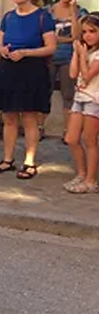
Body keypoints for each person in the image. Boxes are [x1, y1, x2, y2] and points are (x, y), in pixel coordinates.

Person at [0, 0, 57, 180]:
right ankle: (7, 159)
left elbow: (51, 47)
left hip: (32, 70)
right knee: (8, 117)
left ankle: (29, 161)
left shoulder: (43, 17)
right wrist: (3, 50)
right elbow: (0, 43)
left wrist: (26, 52)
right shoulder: (8, 17)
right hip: (9, 68)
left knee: (29, 118)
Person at [64, 13, 99, 194]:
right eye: (84, 32)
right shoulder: (87, 51)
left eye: (92, 31)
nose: (88, 35)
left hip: (94, 100)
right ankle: (82, 173)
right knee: (71, 138)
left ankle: (91, 180)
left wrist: (84, 56)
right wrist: (77, 54)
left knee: (90, 140)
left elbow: (86, 76)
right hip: (80, 98)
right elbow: (72, 74)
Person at [48, 0, 88, 134]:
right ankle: (40, 127)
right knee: (45, 91)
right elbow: (46, 35)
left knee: (68, 94)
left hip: (69, 58)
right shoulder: (48, 10)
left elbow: (77, 36)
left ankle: (68, 130)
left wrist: (73, 14)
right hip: (49, 55)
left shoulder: (81, 12)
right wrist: (65, 39)